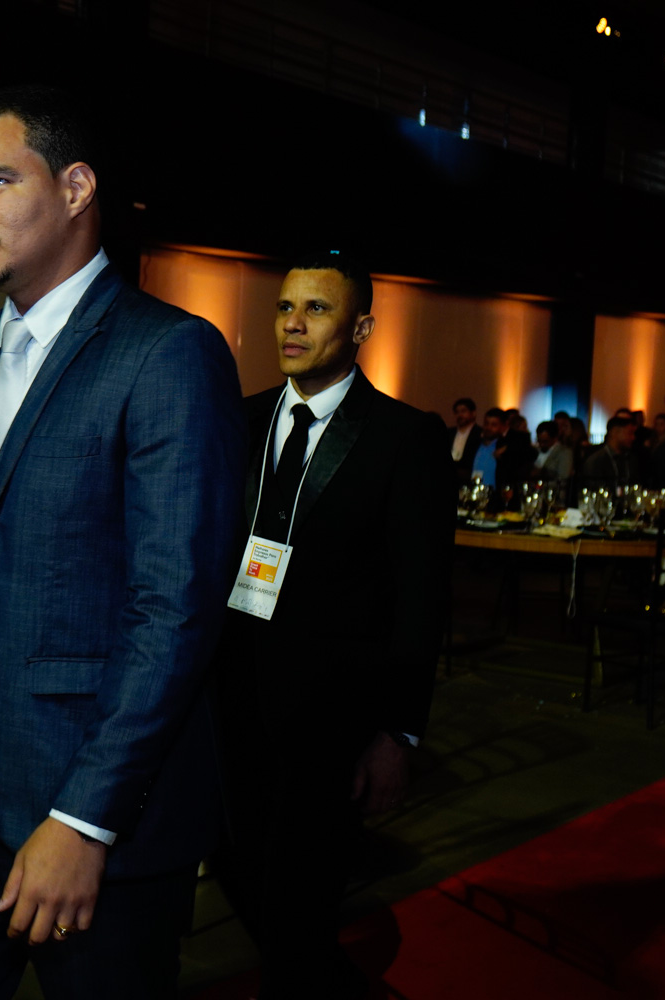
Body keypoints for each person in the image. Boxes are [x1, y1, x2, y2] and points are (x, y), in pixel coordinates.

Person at [0, 86, 245, 999]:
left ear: (75, 188)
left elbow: (174, 611)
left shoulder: (168, 352)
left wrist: (84, 819)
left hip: (89, 807)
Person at [214, 255, 451, 998]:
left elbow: (421, 598)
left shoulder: (404, 438)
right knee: (240, 871)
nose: (292, 324)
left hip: (331, 723)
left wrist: (398, 733)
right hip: (228, 702)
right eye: (285, 307)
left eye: (316, 309)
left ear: (362, 328)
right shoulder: (239, 419)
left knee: (299, 899)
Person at [580, 415, 640, 492]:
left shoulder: (630, 459)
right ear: (615, 432)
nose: (633, 437)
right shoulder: (596, 461)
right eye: (630, 433)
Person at [470, 406, 506, 487]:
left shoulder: (504, 447)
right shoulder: (475, 445)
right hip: (474, 490)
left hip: (495, 492)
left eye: (494, 425)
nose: (489, 428)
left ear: (502, 427)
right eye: (486, 424)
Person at [450, 396, 480, 484]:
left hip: (469, 479)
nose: (460, 415)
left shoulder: (479, 434)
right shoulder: (449, 433)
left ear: (473, 413)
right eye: (457, 412)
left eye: (463, 411)